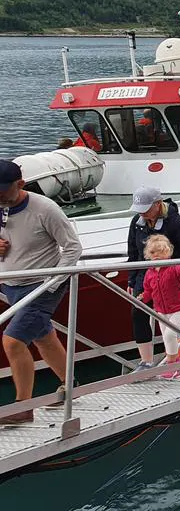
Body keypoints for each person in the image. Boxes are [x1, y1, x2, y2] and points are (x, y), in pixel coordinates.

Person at [0, 159, 81, 424]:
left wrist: (52, 282)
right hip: (10, 283)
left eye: (3, 190)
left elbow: (72, 248)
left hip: (42, 286)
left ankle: (24, 406)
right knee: (43, 337)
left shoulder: (45, 209)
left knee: (12, 341)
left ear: (20, 184)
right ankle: (71, 385)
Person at [126, 186, 180, 375]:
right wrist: (131, 280)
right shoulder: (137, 221)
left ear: (158, 205)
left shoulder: (177, 223)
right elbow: (134, 253)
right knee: (138, 313)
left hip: (174, 274)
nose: (142, 213)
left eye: (146, 208)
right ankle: (146, 361)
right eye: (139, 209)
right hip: (146, 275)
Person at [138, 234, 180, 380]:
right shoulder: (150, 272)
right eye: (153, 253)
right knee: (166, 338)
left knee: (170, 335)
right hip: (161, 310)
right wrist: (143, 298)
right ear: (148, 255)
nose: (157, 256)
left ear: (167, 253)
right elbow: (149, 290)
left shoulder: (173, 267)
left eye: (161, 252)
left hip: (179, 307)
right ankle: (175, 363)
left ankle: (172, 366)